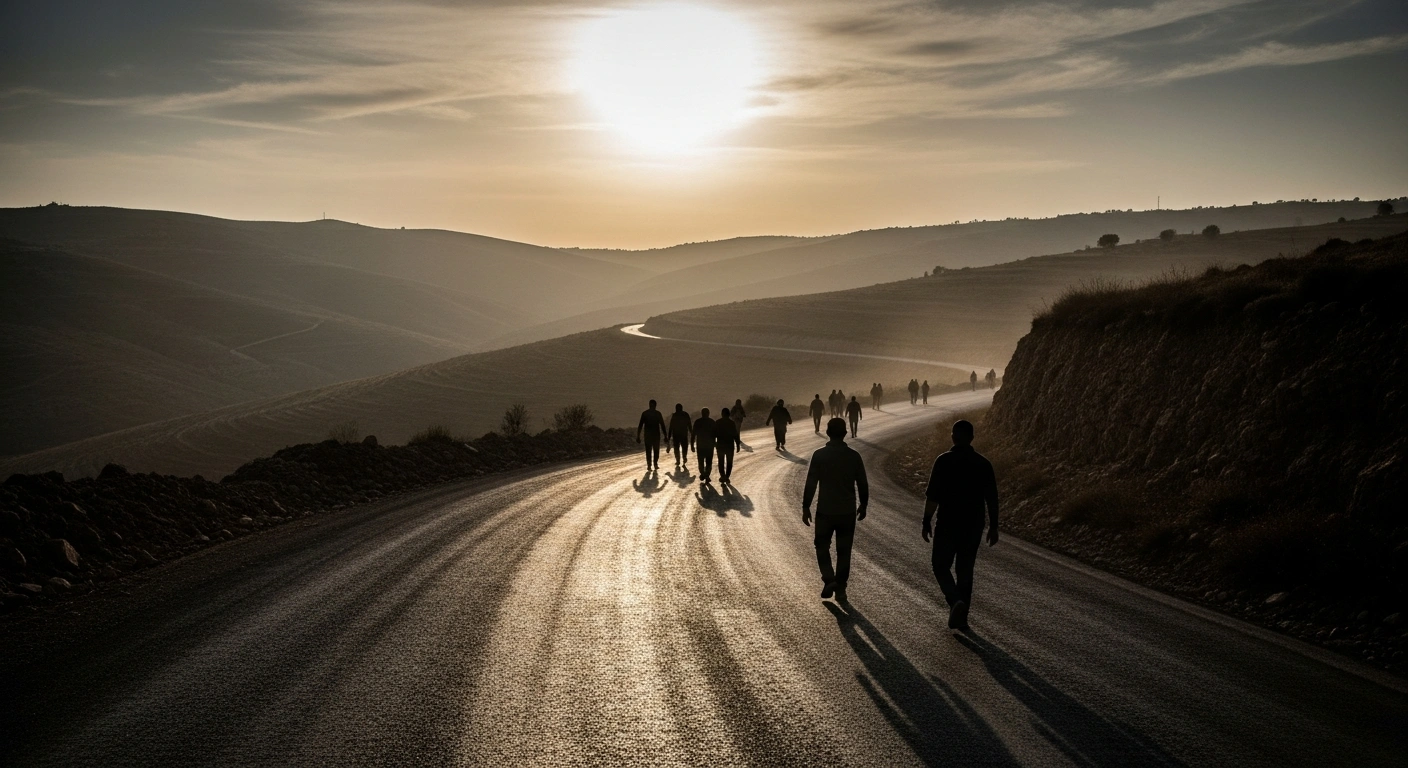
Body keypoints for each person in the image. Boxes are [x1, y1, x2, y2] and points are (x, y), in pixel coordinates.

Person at [921, 419, 999, 631]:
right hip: (973, 525)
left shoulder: (943, 461)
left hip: (948, 523)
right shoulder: (983, 464)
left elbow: (933, 496)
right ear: (972, 438)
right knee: (965, 569)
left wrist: (926, 520)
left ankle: (955, 600)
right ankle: (962, 615)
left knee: (940, 565)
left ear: (953, 437)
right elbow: (992, 498)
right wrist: (994, 525)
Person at [803, 418, 869, 601]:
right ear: (845, 433)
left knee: (821, 546)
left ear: (827, 432)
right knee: (844, 550)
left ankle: (828, 578)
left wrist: (805, 506)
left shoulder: (819, 455)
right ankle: (841, 587)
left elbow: (811, 483)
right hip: (847, 511)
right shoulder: (854, 456)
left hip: (825, 510)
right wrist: (864, 504)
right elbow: (862, 483)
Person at [636, 399, 667, 471]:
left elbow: (640, 425)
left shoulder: (645, 413)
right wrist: (665, 436)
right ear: (655, 405)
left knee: (648, 451)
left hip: (648, 435)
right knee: (655, 450)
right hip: (655, 435)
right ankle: (655, 464)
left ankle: (649, 465)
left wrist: (638, 436)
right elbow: (662, 425)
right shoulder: (658, 414)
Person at [715, 407, 742, 483]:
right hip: (730, 445)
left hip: (720, 445)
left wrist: (714, 443)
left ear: (722, 414)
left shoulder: (717, 422)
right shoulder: (731, 423)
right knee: (729, 462)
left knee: (721, 461)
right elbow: (735, 435)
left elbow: (714, 434)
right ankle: (727, 476)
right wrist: (737, 444)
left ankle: (722, 476)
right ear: (729, 414)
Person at [693, 408, 716, 482]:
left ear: (701, 413)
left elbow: (693, 434)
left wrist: (692, 445)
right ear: (708, 413)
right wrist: (715, 443)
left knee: (701, 460)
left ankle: (703, 473)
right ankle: (707, 475)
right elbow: (716, 434)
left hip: (700, 445)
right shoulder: (712, 422)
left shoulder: (697, 422)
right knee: (709, 461)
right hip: (710, 445)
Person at [668, 403, 692, 469]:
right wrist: (692, 433)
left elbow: (671, 427)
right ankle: (684, 457)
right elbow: (689, 425)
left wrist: (669, 437)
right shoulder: (685, 414)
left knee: (676, 448)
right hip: (684, 434)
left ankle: (678, 460)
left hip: (676, 435)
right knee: (684, 447)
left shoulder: (674, 415)